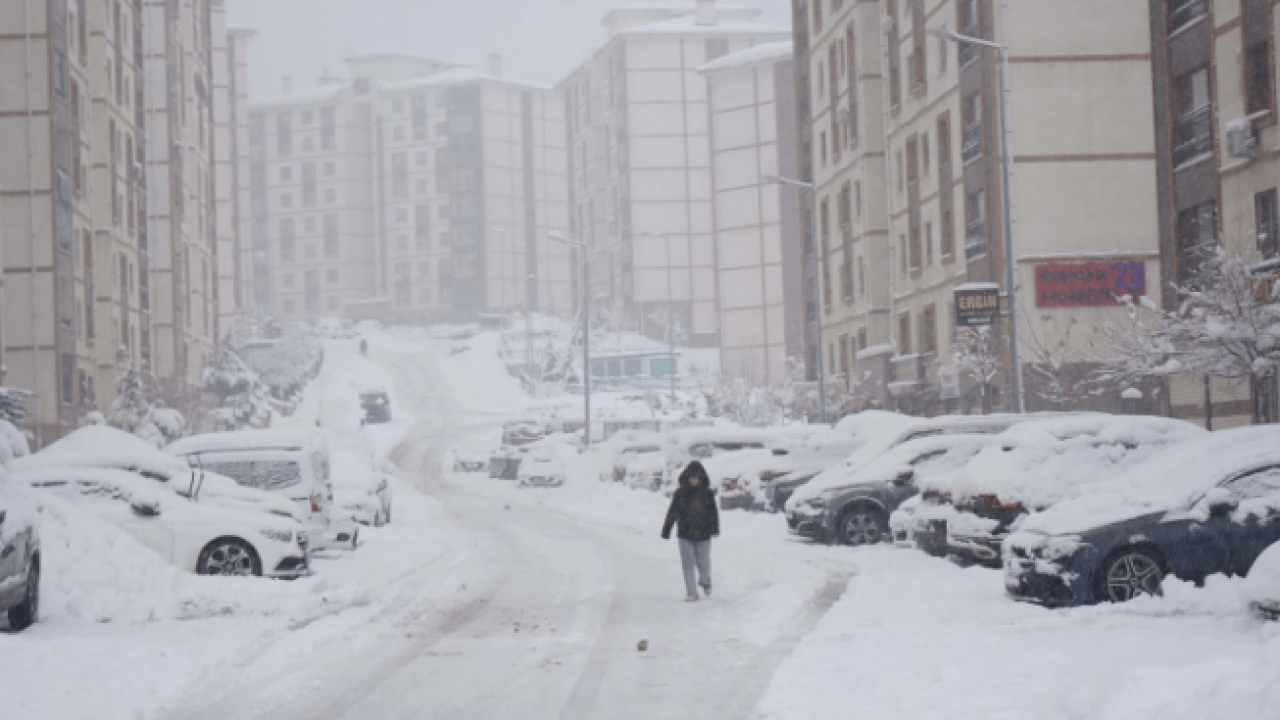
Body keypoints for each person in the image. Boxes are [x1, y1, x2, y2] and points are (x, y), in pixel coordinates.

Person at [661, 460, 720, 602]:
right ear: (686, 478)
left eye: (697, 478)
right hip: (685, 534)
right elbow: (672, 512)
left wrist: (714, 528)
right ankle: (691, 592)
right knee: (687, 565)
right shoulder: (680, 494)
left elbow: (713, 513)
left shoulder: (707, 494)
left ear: (701, 479)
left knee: (703, 562)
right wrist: (666, 530)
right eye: (691, 478)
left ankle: (706, 582)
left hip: (704, 535)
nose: (694, 480)